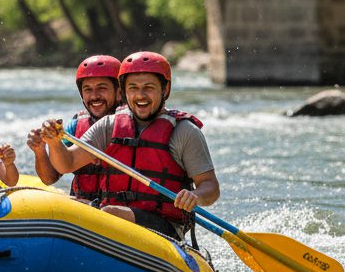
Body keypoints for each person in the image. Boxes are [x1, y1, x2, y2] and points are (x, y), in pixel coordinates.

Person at [39, 50, 219, 244]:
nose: (140, 95)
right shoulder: (109, 125)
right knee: (74, 206)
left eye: (148, 87)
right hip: (111, 219)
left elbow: (210, 187)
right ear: (124, 92)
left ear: (164, 90)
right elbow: (67, 164)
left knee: (110, 212)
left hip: (164, 225)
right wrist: (54, 143)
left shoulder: (184, 131)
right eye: (133, 88)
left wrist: (195, 196)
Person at [27, 54, 121, 198]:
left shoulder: (134, 125)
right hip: (84, 208)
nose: (94, 96)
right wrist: (41, 151)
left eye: (102, 88)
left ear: (119, 93)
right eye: (88, 90)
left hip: (121, 210)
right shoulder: (76, 125)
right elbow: (49, 179)